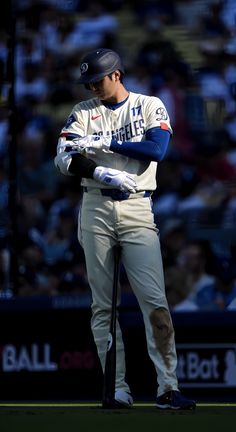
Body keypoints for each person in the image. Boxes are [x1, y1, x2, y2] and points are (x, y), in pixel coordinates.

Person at [54, 48, 196, 410]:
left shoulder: (150, 104)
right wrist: (99, 170)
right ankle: (116, 389)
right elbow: (64, 157)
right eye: (87, 83)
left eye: (97, 81)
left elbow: (157, 149)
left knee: (155, 302)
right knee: (103, 305)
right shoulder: (83, 111)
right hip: (96, 203)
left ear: (116, 74)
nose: (92, 88)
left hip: (137, 206)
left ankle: (167, 387)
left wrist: (107, 143)